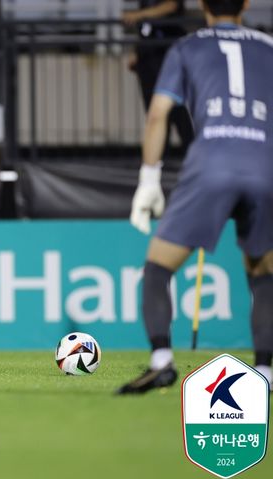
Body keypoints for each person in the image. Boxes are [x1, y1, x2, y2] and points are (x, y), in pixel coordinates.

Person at [119, 0, 273, 394]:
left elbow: (158, 114)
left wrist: (149, 179)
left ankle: (162, 362)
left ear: (203, 5)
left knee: (158, 268)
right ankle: (267, 375)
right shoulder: (268, 46)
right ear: (247, 5)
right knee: (263, 274)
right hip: (264, 165)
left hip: (211, 162)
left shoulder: (187, 47)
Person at [123, 0, 194, 152]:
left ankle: (191, 151)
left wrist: (139, 15)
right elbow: (145, 30)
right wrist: (137, 50)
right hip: (147, 55)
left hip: (166, 53)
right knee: (153, 110)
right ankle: (160, 153)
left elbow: (172, 5)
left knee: (174, 106)